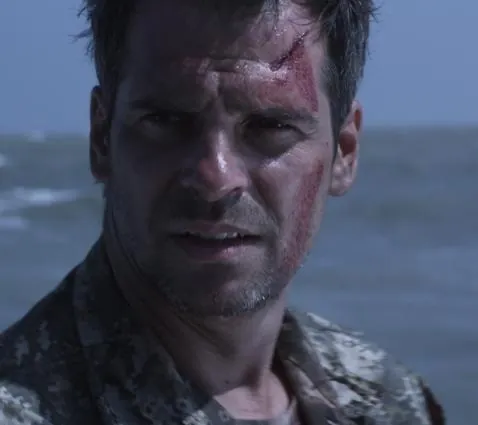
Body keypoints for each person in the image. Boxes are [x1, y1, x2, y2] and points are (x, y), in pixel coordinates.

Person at [0, 0, 445, 423]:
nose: (215, 177)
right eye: (166, 121)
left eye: (270, 126)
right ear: (102, 138)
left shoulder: (386, 402)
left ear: (344, 151)